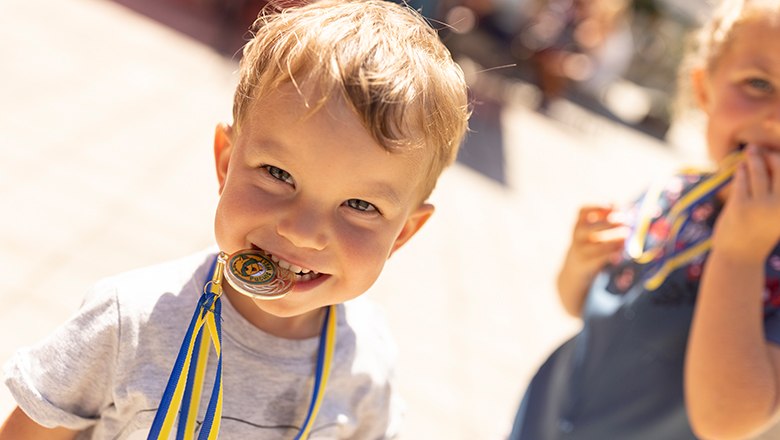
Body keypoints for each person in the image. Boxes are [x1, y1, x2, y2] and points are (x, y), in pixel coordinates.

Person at [0, 0, 470, 438]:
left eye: (361, 206)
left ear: (402, 234)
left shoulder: (368, 358)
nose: (301, 230)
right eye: (278, 174)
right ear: (226, 164)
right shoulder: (130, 322)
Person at [508, 0, 780, 438]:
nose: (776, 120)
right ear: (705, 88)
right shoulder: (670, 196)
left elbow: (727, 420)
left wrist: (741, 254)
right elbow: (588, 305)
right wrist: (581, 264)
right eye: (758, 83)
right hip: (547, 417)